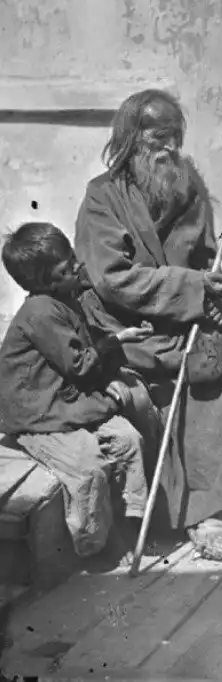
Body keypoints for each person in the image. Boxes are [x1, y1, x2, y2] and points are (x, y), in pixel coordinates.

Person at [73, 89, 222, 561]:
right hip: (129, 331)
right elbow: (112, 279)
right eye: (159, 138)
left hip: (185, 322)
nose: (170, 148)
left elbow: (205, 258)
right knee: (173, 388)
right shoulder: (102, 197)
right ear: (131, 140)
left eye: (175, 136)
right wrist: (192, 287)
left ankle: (215, 502)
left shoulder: (187, 188)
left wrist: (214, 287)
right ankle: (199, 513)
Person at [0, 222, 154, 558]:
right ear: (45, 281)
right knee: (88, 469)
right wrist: (117, 340)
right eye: (66, 267)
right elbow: (80, 364)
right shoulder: (40, 312)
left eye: (72, 258)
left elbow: (83, 357)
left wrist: (113, 352)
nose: (76, 267)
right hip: (38, 412)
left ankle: (133, 522)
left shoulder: (65, 298)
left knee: (129, 440)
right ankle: (92, 545)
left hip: (64, 399)